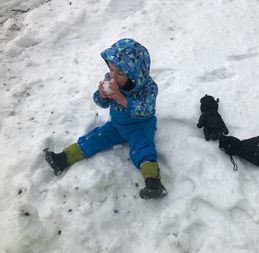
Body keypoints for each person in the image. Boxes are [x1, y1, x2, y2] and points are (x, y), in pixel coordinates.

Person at [44, 38, 167, 200]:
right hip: (116, 125)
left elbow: (147, 109)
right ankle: (63, 159)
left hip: (141, 126)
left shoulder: (149, 88)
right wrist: (102, 95)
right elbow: (101, 103)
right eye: (111, 69)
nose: (113, 75)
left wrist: (122, 98)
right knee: (94, 138)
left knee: (143, 148)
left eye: (120, 72)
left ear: (136, 74)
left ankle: (153, 183)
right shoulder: (111, 79)